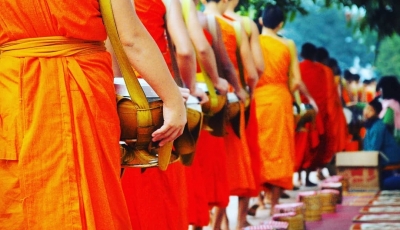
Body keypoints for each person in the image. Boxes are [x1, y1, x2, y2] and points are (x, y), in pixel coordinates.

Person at [0, 0, 187, 229]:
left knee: (21, 196)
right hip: (83, 91)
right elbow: (131, 39)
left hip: (14, 90)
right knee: (90, 190)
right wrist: (173, 100)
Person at [246, 5, 317, 215]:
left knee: (257, 147)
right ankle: (275, 205)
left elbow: (248, 72)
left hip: (258, 99)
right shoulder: (288, 44)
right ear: (281, 24)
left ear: (260, 21)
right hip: (280, 100)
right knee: (279, 149)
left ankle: (258, 200)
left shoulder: (254, 41)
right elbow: (295, 81)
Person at [202, 0, 260, 229]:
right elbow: (253, 71)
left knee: (208, 163)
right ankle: (229, 222)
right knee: (234, 163)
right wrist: (246, 92)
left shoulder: (188, 20)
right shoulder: (235, 26)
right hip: (229, 100)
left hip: (200, 98)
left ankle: (213, 222)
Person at [376, 76, 400, 144]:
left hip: (394, 142)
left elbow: (386, 124)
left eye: (381, 88)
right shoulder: (394, 102)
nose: (380, 91)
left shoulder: (390, 105)